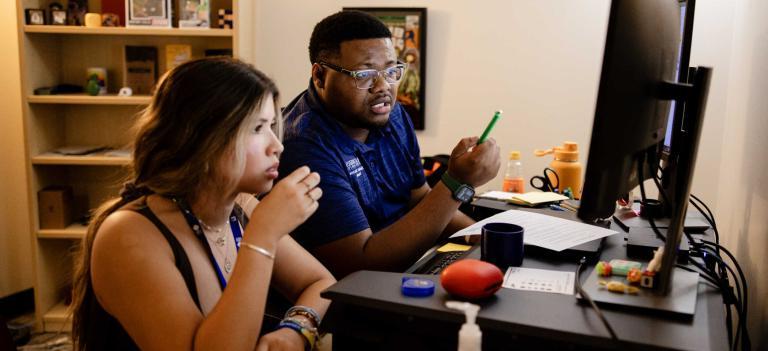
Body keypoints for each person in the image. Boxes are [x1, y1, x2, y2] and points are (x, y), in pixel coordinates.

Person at [72, 57, 335, 350]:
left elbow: (321, 282)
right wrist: (262, 237)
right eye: (257, 128)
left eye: (273, 125)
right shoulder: (129, 234)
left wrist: (296, 328)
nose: (278, 145)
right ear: (200, 136)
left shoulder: (241, 208)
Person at [279, 11, 501, 278]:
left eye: (391, 70)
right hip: (355, 296)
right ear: (320, 76)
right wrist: (457, 183)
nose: (383, 86)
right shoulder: (303, 145)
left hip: (414, 264)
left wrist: (482, 237)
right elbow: (359, 266)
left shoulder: (390, 114)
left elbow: (418, 198)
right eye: (364, 74)